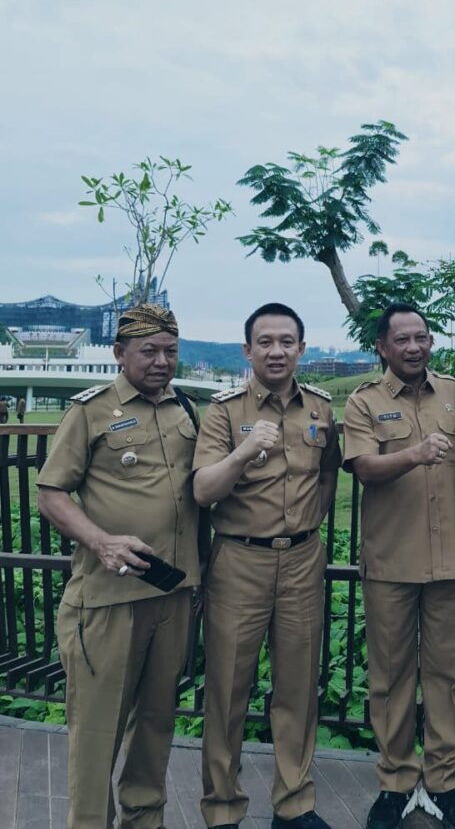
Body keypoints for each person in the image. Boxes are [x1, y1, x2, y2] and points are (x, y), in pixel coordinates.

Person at [36, 303, 200, 829]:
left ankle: (144, 818)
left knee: (156, 722)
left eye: (170, 351)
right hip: (108, 599)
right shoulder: (90, 411)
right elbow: (51, 492)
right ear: (119, 353)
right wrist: (102, 542)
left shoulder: (188, 409)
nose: (160, 361)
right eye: (148, 351)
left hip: (172, 596)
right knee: (97, 728)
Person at [193, 302, 341, 829]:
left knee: (298, 687)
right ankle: (223, 807)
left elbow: (327, 474)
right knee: (228, 688)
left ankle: (294, 803)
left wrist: (309, 522)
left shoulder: (321, 409)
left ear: (302, 348)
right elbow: (204, 490)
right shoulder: (224, 411)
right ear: (247, 350)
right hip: (240, 560)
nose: (276, 351)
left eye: (286, 341)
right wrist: (242, 452)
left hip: (302, 559)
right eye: (265, 342)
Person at [343, 303, 455, 829]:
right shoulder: (364, 401)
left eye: (421, 337)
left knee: (446, 676)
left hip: (451, 558)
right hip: (390, 561)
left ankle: (444, 782)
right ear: (382, 346)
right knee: (390, 677)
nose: (413, 347)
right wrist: (413, 454)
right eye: (401, 340)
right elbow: (363, 468)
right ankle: (396, 781)